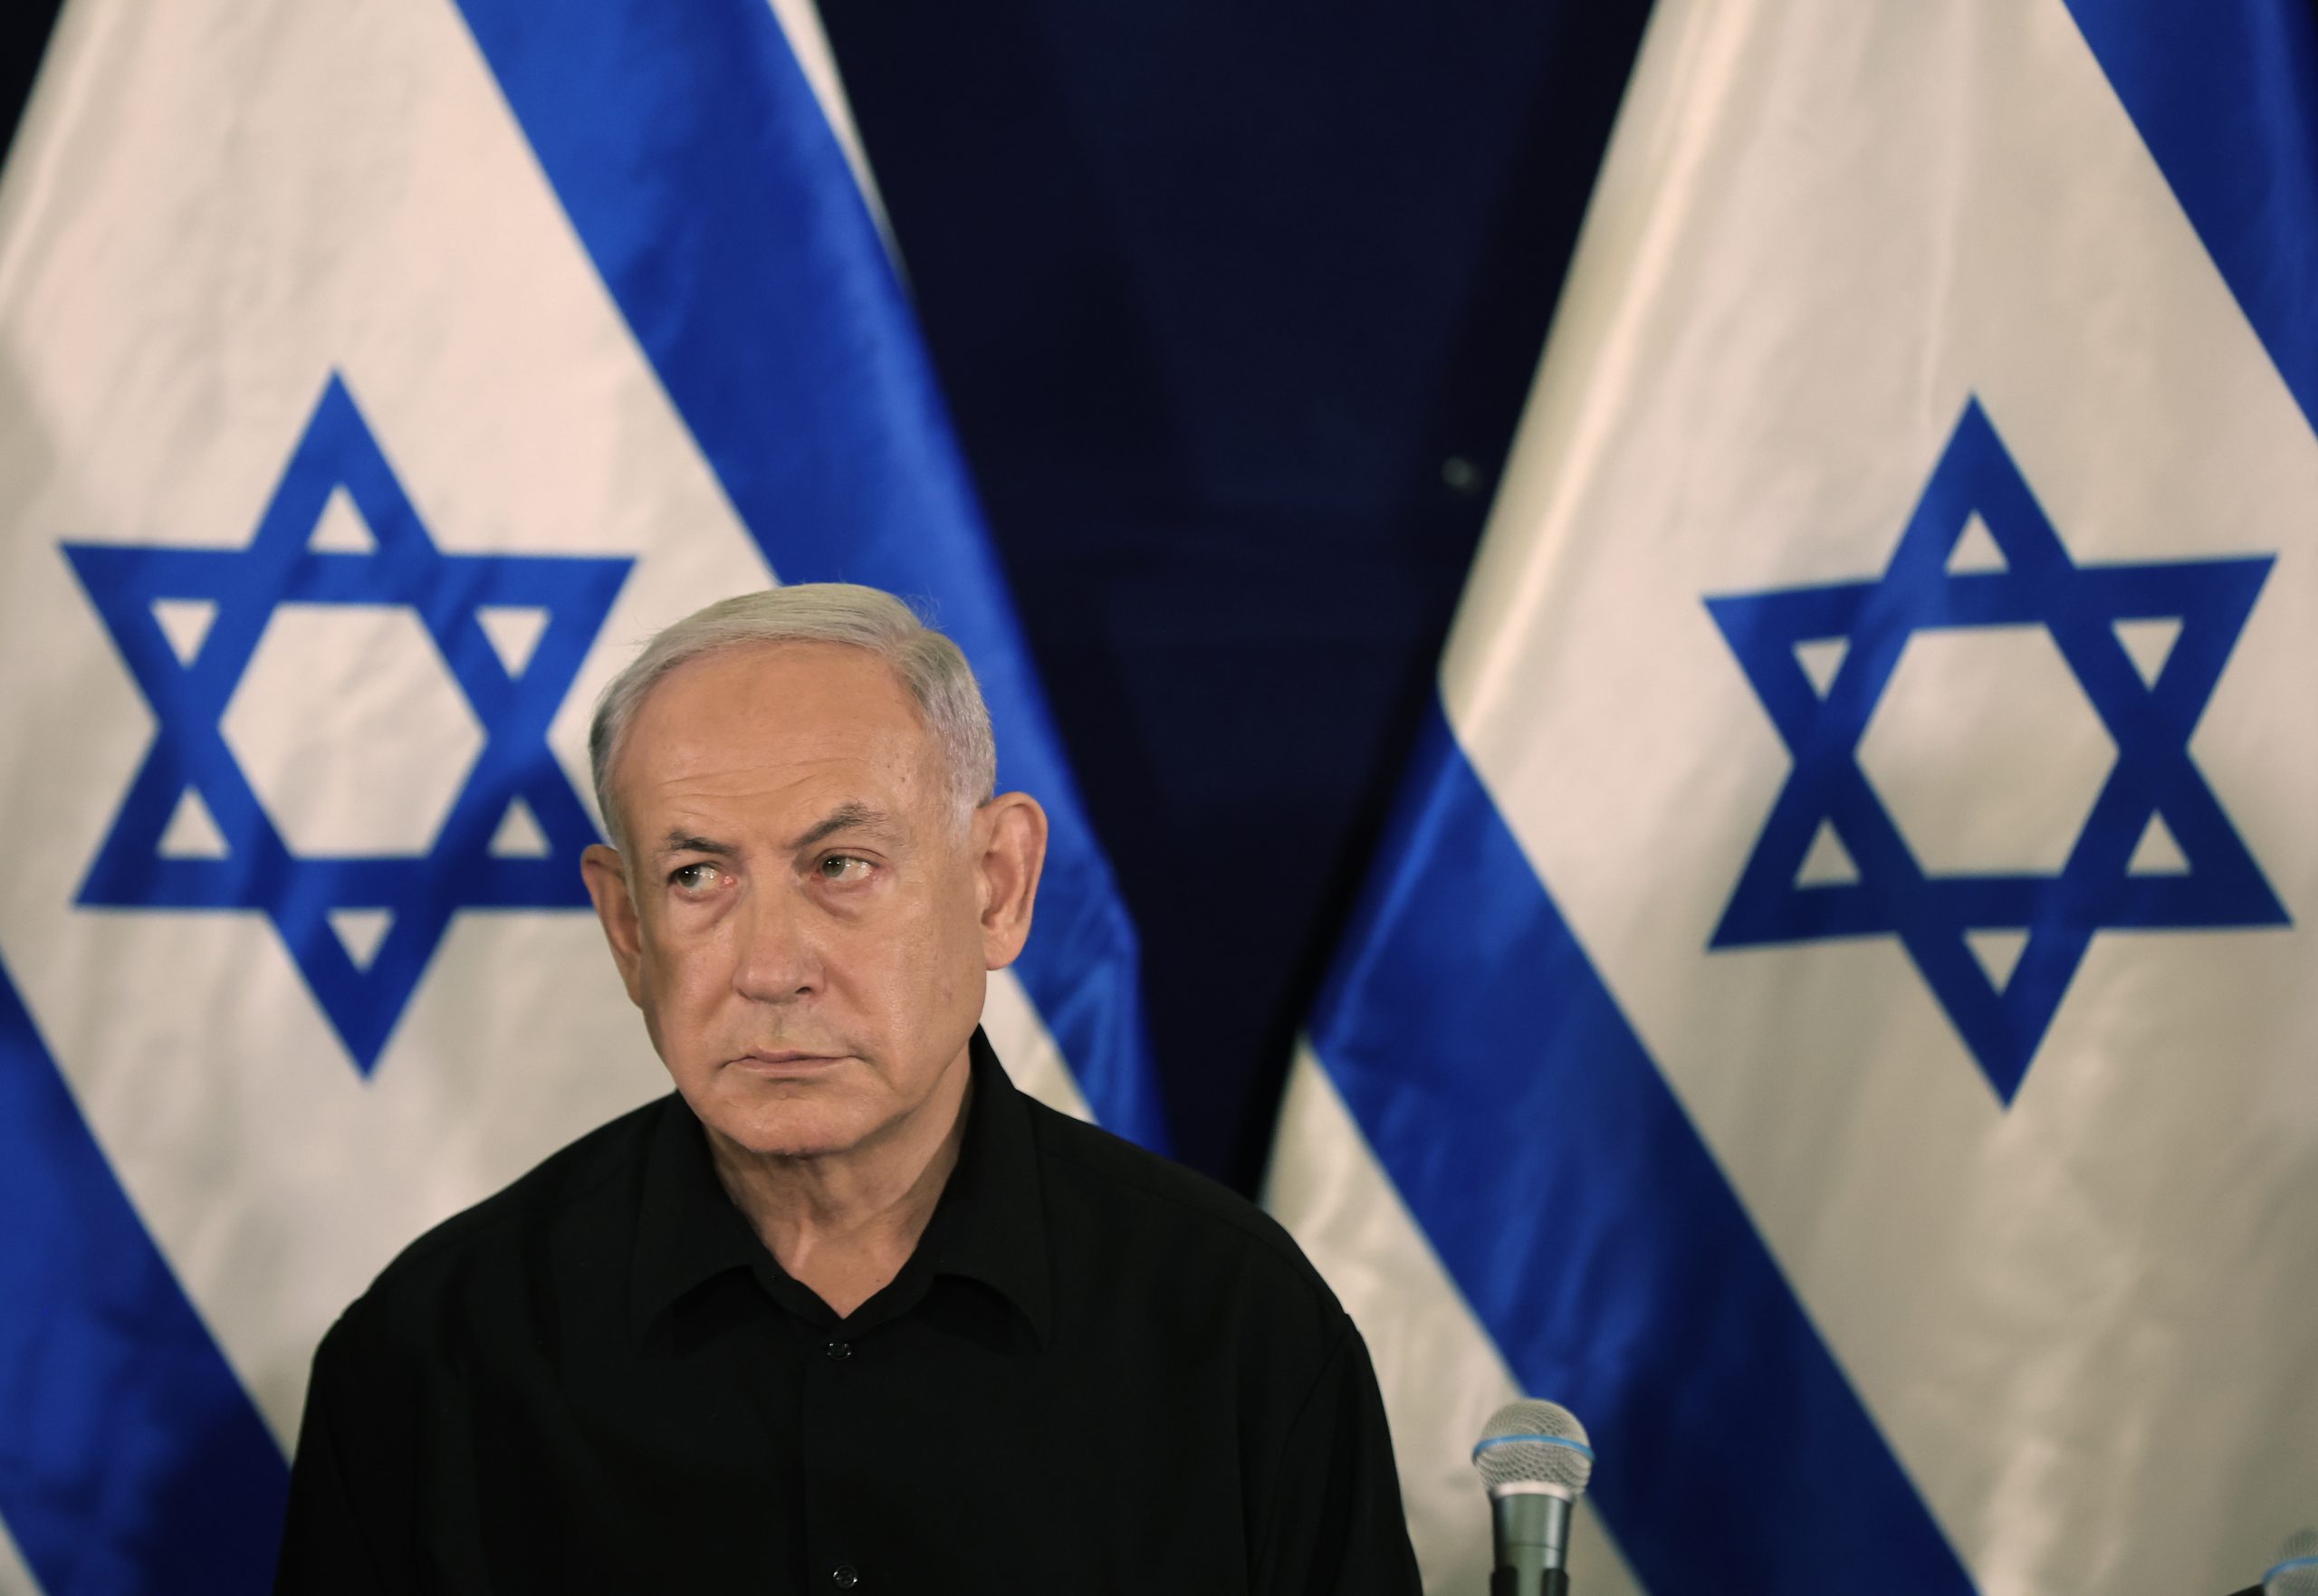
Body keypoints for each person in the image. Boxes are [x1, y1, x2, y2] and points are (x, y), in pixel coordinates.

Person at [273, 584, 1422, 1594]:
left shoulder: (1233, 1324)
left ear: (996, 885)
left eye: (840, 865)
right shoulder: (436, 1350)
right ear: (628, 927)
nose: (771, 966)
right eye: (697, 875)